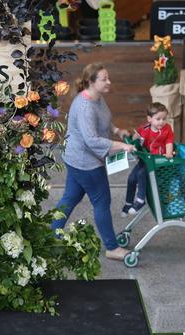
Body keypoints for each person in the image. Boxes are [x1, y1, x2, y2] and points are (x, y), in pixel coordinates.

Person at [51, 63, 136, 261]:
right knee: (102, 201)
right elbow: (92, 140)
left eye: (108, 78)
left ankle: (51, 235)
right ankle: (112, 247)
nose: (109, 82)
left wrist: (117, 131)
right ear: (91, 82)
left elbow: (104, 121)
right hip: (85, 162)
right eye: (104, 79)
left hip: (76, 158)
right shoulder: (85, 106)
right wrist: (121, 146)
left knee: (70, 198)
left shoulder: (97, 98)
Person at [122, 102, 174, 217]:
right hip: (145, 158)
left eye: (164, 119)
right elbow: (137, 136)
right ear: (149, 119)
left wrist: (169, 153)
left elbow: (169, 142)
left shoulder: (167, 129)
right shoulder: (145, 128)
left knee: (141, 174)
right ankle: (128, 202)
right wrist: (133, 139)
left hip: (156, 159)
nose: (161, 122)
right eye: (158, 119)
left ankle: (140, 200)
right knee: (131, 178)